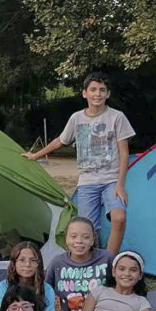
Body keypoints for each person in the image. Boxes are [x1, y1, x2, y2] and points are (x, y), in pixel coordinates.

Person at [24, 72, 135, 255]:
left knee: (119, 217)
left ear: (108, 94)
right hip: (87, 182)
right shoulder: (77, 118)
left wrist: (120, 184)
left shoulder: (117, 117)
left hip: (111, 180)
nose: (97, 94)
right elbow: (61, 141)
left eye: (102, 90)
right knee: (86, 229)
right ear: (84, 93)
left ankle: (108, 261)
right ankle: (90, 261)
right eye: (93, 90)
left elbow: (124, 152)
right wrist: (36, 155)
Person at [45, 217, 114, 311]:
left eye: (86, 237)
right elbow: (44, 291)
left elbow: (122, 284)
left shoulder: (107, 259)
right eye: (73, 236)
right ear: (66, 238)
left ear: (93, 239)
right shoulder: (57, 263)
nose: (79, 241)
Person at [0, 242, 58, 311]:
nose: (27, 265)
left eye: (33, 260)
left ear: (38, 264)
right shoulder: (4, 286)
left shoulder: (47, 289)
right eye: (22, 260)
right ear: (14, 263)